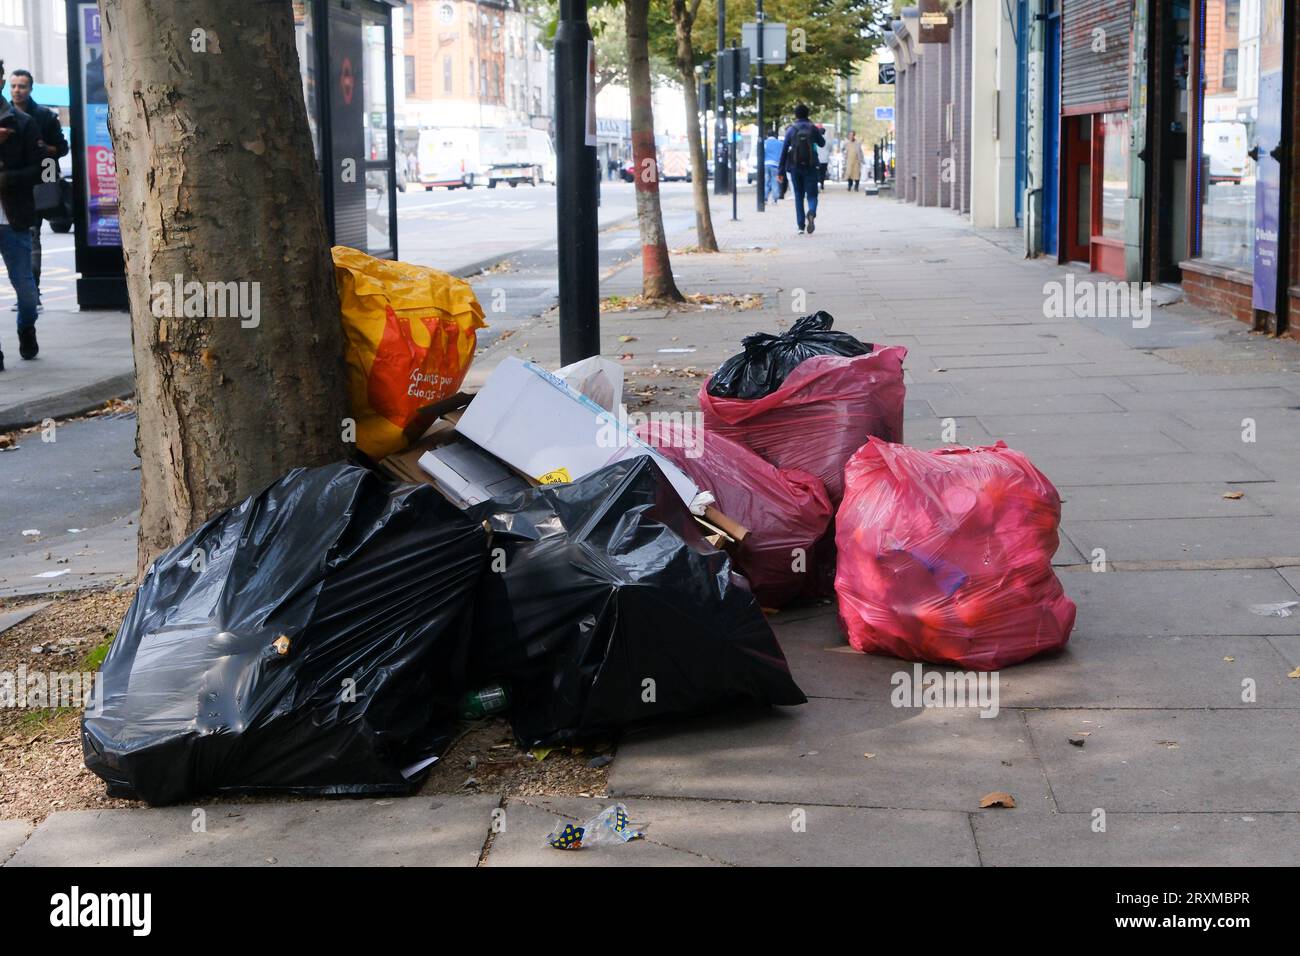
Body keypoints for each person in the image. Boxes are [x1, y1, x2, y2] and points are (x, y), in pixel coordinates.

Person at [10, 69, 70, 307]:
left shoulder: (44, 116)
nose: (17, 90)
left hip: (38, 183)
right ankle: (28, 292)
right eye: (14, 86)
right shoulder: (6, 115)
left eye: (22, 86)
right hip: (13, 185)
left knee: (32, 237)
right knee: (20, 240)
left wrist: (44, 148)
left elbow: (61, 148)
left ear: (30, 89)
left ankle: (31, 291)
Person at [0, 69, 43, 370]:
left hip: (13, 220)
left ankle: (26, 327)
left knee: (27, 294)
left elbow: (42, 169)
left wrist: (7, 179)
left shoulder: (23, 122)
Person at [777, 104, 826, 235]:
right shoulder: (812, 128)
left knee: (798, 196)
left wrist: (780, 171)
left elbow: (784, 151)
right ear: (807, 114)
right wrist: (819, 133)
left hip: (795, 167)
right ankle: (812, 212)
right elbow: (822, 143)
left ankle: (800, 226)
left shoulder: (791, 130)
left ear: (796, 115)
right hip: (811, 166)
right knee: (812, 195)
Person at [762, 127, 782, 205]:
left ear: (767, 135)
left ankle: (765, 198)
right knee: (775, 181)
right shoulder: (779, 143)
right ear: (774, 135)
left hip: (766, 164)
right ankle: (775, 199)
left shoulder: (764, 143)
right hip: (776, 165)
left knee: (766, 182)